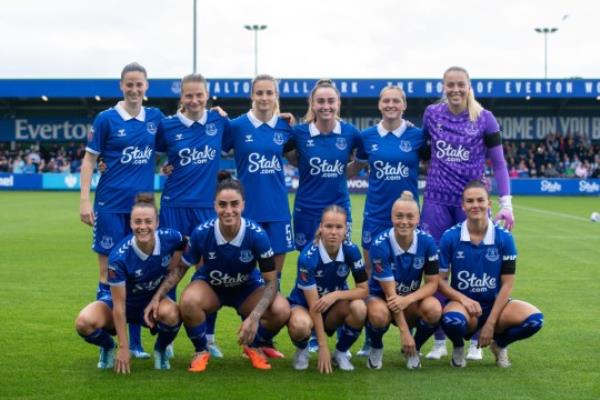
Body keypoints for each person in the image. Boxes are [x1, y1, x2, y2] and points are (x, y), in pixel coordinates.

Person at [144, 171, 291, 372]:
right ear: (214, 205)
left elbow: (272, 282)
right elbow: (180, 270)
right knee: (188, 301)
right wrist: (157, 297)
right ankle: (201, 350)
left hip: (245, 288)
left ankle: (255, 345)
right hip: (211, 288)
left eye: (234, 204)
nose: (228, 210)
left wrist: (254, 317)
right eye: (222, 204)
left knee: (281, 309)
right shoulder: (202, 233)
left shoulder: (257, 235)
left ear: (243, 205)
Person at [421, 66, 514, 361]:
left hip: (470, 204)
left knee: (477, 271)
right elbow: (422, 149)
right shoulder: (431, 114)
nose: (456, 90)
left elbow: (499, 163)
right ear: (443, 86)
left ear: (469, 86)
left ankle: (475, 340)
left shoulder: (484, 118)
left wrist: (506, 203)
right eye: (450, 85)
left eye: (461, 85)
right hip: (436, 200)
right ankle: (438, 340)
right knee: (436, 269)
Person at [79, 62, 164, 359]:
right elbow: (89, 161)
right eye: (129, 84)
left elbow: (177, 143)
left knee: (140, 274)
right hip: (109, 206)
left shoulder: (155, 118)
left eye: (139, 84)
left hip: (141, 211)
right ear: (121, 86)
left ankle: (137, 343)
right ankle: (106, 344)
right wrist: (85, 200)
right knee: (107, 272)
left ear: (146, 86)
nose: (134, 89)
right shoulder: (106, 119)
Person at [155, 73, 230, 358]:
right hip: (174, 206)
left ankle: (208, 338)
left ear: (207, 96)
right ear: (181, 98)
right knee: (172, 270)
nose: (195, 100)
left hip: (205, 208)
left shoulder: (218, 122)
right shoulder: (167, 126)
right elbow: (143, 150)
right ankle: (169, 336)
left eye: (200, 95)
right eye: (189, 95)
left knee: (209, 272)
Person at [348, 86, 427, 356]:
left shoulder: (417, 136)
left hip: (407, 218)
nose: (391, 104)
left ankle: (413, 334)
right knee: (371, 277)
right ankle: (372, 339)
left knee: (412, 275)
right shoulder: (367, 137)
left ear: (404, 105)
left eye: (396, 100)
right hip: (376, 215)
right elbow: (352, 169)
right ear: (379, 105)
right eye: (386, 100)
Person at [438, 181, 543, 368]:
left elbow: (507, 284)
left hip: (496, 305)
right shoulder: (450, 237)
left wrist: (490, 323)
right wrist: (464, 300)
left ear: (489, 204)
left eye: (480, 200)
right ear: (463, 206)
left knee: (534, 321)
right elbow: (440, 281)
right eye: (470, 201)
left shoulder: (504, 237)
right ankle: (458, 347)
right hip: (463, 307)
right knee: (451, 321)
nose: (475, 205)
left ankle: (500, 345)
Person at [74, 194, 184, 372]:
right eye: (137, 222)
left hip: (150, 304)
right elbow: (119, 307)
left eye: (148, 221)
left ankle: (161, 350)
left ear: (157, 223)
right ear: (131, 224)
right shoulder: (119, 258)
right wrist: (123, 348)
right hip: (121, 303)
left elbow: (183, 244)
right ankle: (108, 347)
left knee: (173, 314)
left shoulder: (170, 237)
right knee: (84, 323)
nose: (143, 227)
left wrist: (172, 267)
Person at [223, 74, 295, 287]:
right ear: (252, 95)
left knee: (274, 282)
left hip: (277, 209)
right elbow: (207, 149)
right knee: (245, 279)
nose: (264, 97)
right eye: (260, 92)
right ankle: (249, 317)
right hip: (246, 210)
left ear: (276, 96)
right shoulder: (236, 126)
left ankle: (270, 318)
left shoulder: (284, 127)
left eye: (269, 93)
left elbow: (299, 159)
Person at [286, 205, 368, 372]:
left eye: (339, 227)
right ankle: (302, 350)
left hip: (332, 310)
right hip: (305, 307)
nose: (333, 232)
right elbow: (314, 305)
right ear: (321, 228)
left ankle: (340, 352)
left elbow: (364, 290)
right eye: (329, 226)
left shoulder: (352, 250)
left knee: (359, 308)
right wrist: (322, 346)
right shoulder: (308, 257)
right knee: (300, 326)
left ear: (346, 230)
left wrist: (336, 295)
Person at [365, 191, 441, 370]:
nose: (404, 221)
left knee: (434, 309)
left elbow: (432, 283)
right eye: (399, 216)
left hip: (408, 300)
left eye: (410, 216)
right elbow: (391, 295)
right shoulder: (379, 245)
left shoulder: (428, 242)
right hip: (382, 299)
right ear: (391, 217)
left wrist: (408, 299)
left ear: (418, 219)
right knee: (378, 314)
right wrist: (404, 331)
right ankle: (376, 347)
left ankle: (414, 348)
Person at [287, 79, 361, 251]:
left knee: (339, 261)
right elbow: (292, 158)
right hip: (307, 209)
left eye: (331, 101)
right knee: (307, 261)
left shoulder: (351, 133)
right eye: (320, 101)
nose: (326, 106)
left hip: (339, 208)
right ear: (312, 104)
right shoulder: (299, 133)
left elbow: (362, 160)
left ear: (338, 103)